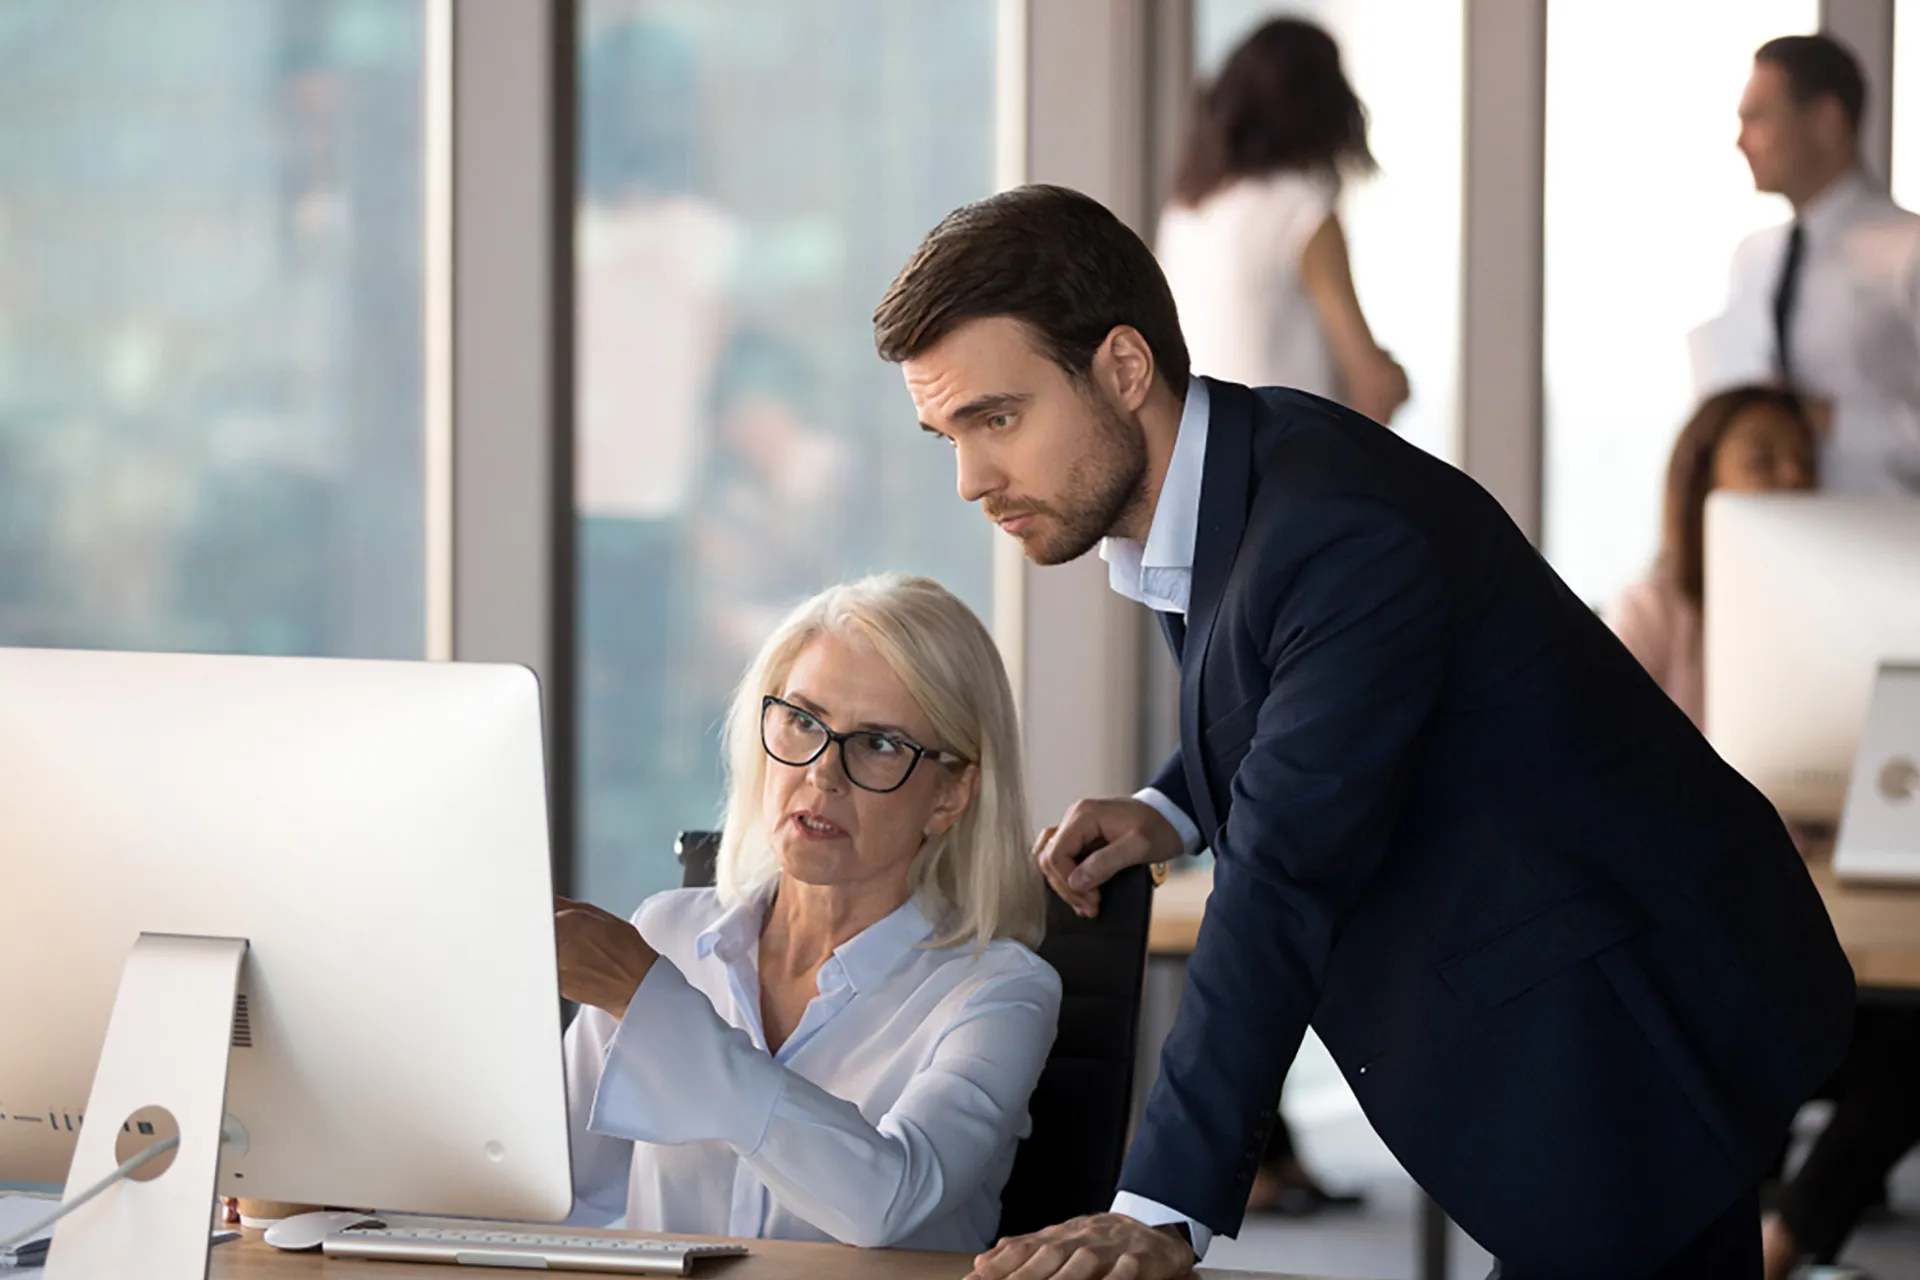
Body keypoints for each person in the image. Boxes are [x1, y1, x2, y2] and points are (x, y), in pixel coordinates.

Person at [872, 184, 1854, 1280]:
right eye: (944, 433)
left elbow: (1283, 872)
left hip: (1631, 1020)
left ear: (1122, 369)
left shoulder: (1332, 526)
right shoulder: (1217, 489)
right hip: (1552, 1012)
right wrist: (1170, 805)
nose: (969, 478)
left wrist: (1159, 1207)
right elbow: (1288, 696)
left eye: (995, 418)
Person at [553, 573, 1061, 1251]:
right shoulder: (666, 933)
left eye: (879, 743)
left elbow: (887, 1202)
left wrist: (654, 1007)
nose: (823, 773)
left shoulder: (1000, 990)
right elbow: (557, 1192)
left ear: (951, 795)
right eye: (802, 720)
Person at [1155, 17, 1407, 425]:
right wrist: (1395, 379)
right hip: (1289, 469)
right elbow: (1372, 385)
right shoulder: (1302, 212)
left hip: (1205, 463)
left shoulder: (1188, 210)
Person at [1697, 33, 1920, 495]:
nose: (1741, 141)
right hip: (1768, 537)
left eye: (1758, 119)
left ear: (1825, 120)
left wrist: (1832, 420)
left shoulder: (1909, 252)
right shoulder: (1755, 259)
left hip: (1888, 543)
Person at [1606, 386, 1817, 728]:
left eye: (1807, 462)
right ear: (1703, 485)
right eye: (1762, 461)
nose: (1795, 477)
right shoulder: (1651, 611)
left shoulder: (1824, 619)